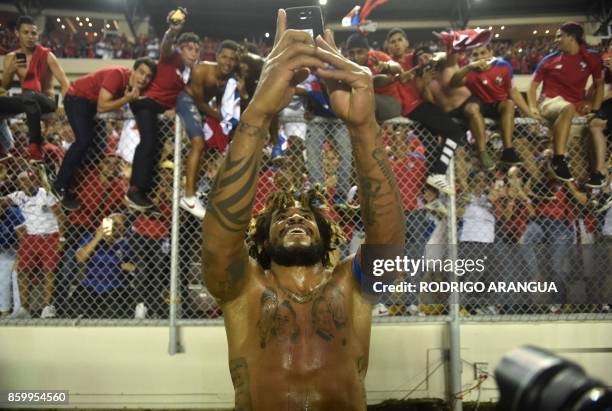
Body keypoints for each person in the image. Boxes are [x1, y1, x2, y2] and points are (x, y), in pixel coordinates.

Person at [201, 10, 404, 410]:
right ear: (261, 236)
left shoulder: (352, 288)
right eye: (282, 216)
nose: (295, 216)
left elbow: (387, 245)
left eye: (307, 215)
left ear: (327, 234)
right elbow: (219, 241)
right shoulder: (242, 289)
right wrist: (258, 110)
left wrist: (364, 128)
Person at [348, 32, 464, 194]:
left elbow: (441, 58)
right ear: (388, 45)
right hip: (412, 109)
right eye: (393, 41)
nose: (396, 44)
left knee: (432, 149)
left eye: (400, 40)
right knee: (455, 131)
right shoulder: (385, 60)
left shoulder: (414, 58)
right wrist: (390, 69)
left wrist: (437, 55)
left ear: (407, 42)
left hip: (420, 106)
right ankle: (438, 173)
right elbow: (393, 69)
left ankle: (431, 195)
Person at [52, 58, 156, 210]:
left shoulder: (133, 86)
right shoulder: (117, 75)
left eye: (148, 76)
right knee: (83, 141)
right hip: (77, 98)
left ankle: (74, 186)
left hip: (91, 104)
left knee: (100, 149)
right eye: (141, 72)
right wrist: (126, 99)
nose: (144, 78)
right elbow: (102, 106)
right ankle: (59, 186)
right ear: (133, 71)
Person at [125, 12, 200, 210]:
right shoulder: (172, 57)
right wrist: (172, 31)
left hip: (159, 108)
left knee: (157, 148)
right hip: (146, 102)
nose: (194, 53)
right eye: (190, 49)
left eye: (197, 50)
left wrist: (174, 108)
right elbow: (166, 45)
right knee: (149, 142)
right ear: (180, 49)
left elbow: (180, 95)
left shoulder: (190, 73)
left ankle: (144, 192)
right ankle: (134, 190)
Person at [527, 22, 604, 182]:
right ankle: (558, 159)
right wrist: (533, 108)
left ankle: (593, 181)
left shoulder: (592, 58)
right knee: (566, 107)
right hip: (548, 103)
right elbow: (532, 88)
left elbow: (599, 85)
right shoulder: (549, 59)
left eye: (559, 36)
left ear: (571, 37)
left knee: (579, 148)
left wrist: (595, 109)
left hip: (574, 110)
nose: (556, 40)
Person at [176, 39, 239, 218]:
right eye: (225, 57)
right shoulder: (201, 69)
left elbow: (220, 102)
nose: (228, 62)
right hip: (188, 100)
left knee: (212, 147)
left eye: (232, 59)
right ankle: (188, 197)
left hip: (204, 107)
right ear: (217, 56)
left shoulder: (230, 79)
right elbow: (200, 102)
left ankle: (198, 189)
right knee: (198, 144)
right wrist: (221, 118)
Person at [449, 44, 534, 167]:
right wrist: (469, 66)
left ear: (490, 52)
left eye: (483, 53)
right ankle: (482, 153)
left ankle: (508, 151)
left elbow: (514, 92)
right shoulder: (469, 70)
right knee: (471, 108)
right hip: (480, 104)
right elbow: (453, 83)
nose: (479, 57)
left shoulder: (503, 66)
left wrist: (529, 113)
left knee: (509, 104)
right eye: (475, 54)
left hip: (499, 104)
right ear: (471, 57)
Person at [0, 16, 70, 162]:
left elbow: (65, 83)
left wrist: (63, 104)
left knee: (29, 94)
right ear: (17, 33)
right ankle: (5, 148)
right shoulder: (11, 57)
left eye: (33, 33)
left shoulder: (47, 55)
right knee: (24, 97)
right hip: (27, 102)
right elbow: (5, 86)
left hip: (46, 102)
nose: (30, 37)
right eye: (25, 32)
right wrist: (9, 71)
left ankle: (35, 148)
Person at [0, 170, 64, 319]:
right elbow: (3, 201)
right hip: (30, 237)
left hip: (50, 235)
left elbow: (61, 217)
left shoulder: (46, 195)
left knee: (49, 271)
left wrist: (62, 239)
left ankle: (47, 307)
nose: (25, 184)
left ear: (35, 181)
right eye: (22, 181)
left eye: (29, 180)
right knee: (22, 271)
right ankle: (23, 308)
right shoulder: (18, 196)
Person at [71, 213, 135, 318]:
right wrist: (97, 238)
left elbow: (138, 267)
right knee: (77, 310)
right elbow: (80, 258)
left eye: (118, 224)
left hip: (115, 287)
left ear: (124, 228)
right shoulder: (91, 237)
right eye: (111, 222)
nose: (114, 226)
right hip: (89, 285)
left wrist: (128, 267)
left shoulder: (127, 243)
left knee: (114, 313)